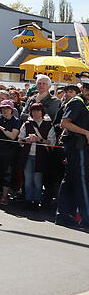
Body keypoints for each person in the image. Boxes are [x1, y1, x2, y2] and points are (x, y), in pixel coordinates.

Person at [55, 72, 89, 228]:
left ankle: (63, 215)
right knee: (82, 180)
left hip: (81, 147)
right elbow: (64, 123)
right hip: (77, 147)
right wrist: (85, 132)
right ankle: (86, 217)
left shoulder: (85, 102)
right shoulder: (77, 102)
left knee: (70, 181)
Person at [19, 102, 56, 209]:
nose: (36, 113)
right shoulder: (26, 124)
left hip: (41, 157)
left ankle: (37, 200)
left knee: (38, 180)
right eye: (34, 110)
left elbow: (52, 142)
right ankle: (28, 200)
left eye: (38, 110)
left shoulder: (48, 125)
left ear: (42, 112)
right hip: (28, 156)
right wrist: (27, 139)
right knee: (28, 180)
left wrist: (38, 139)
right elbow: (20, 140)